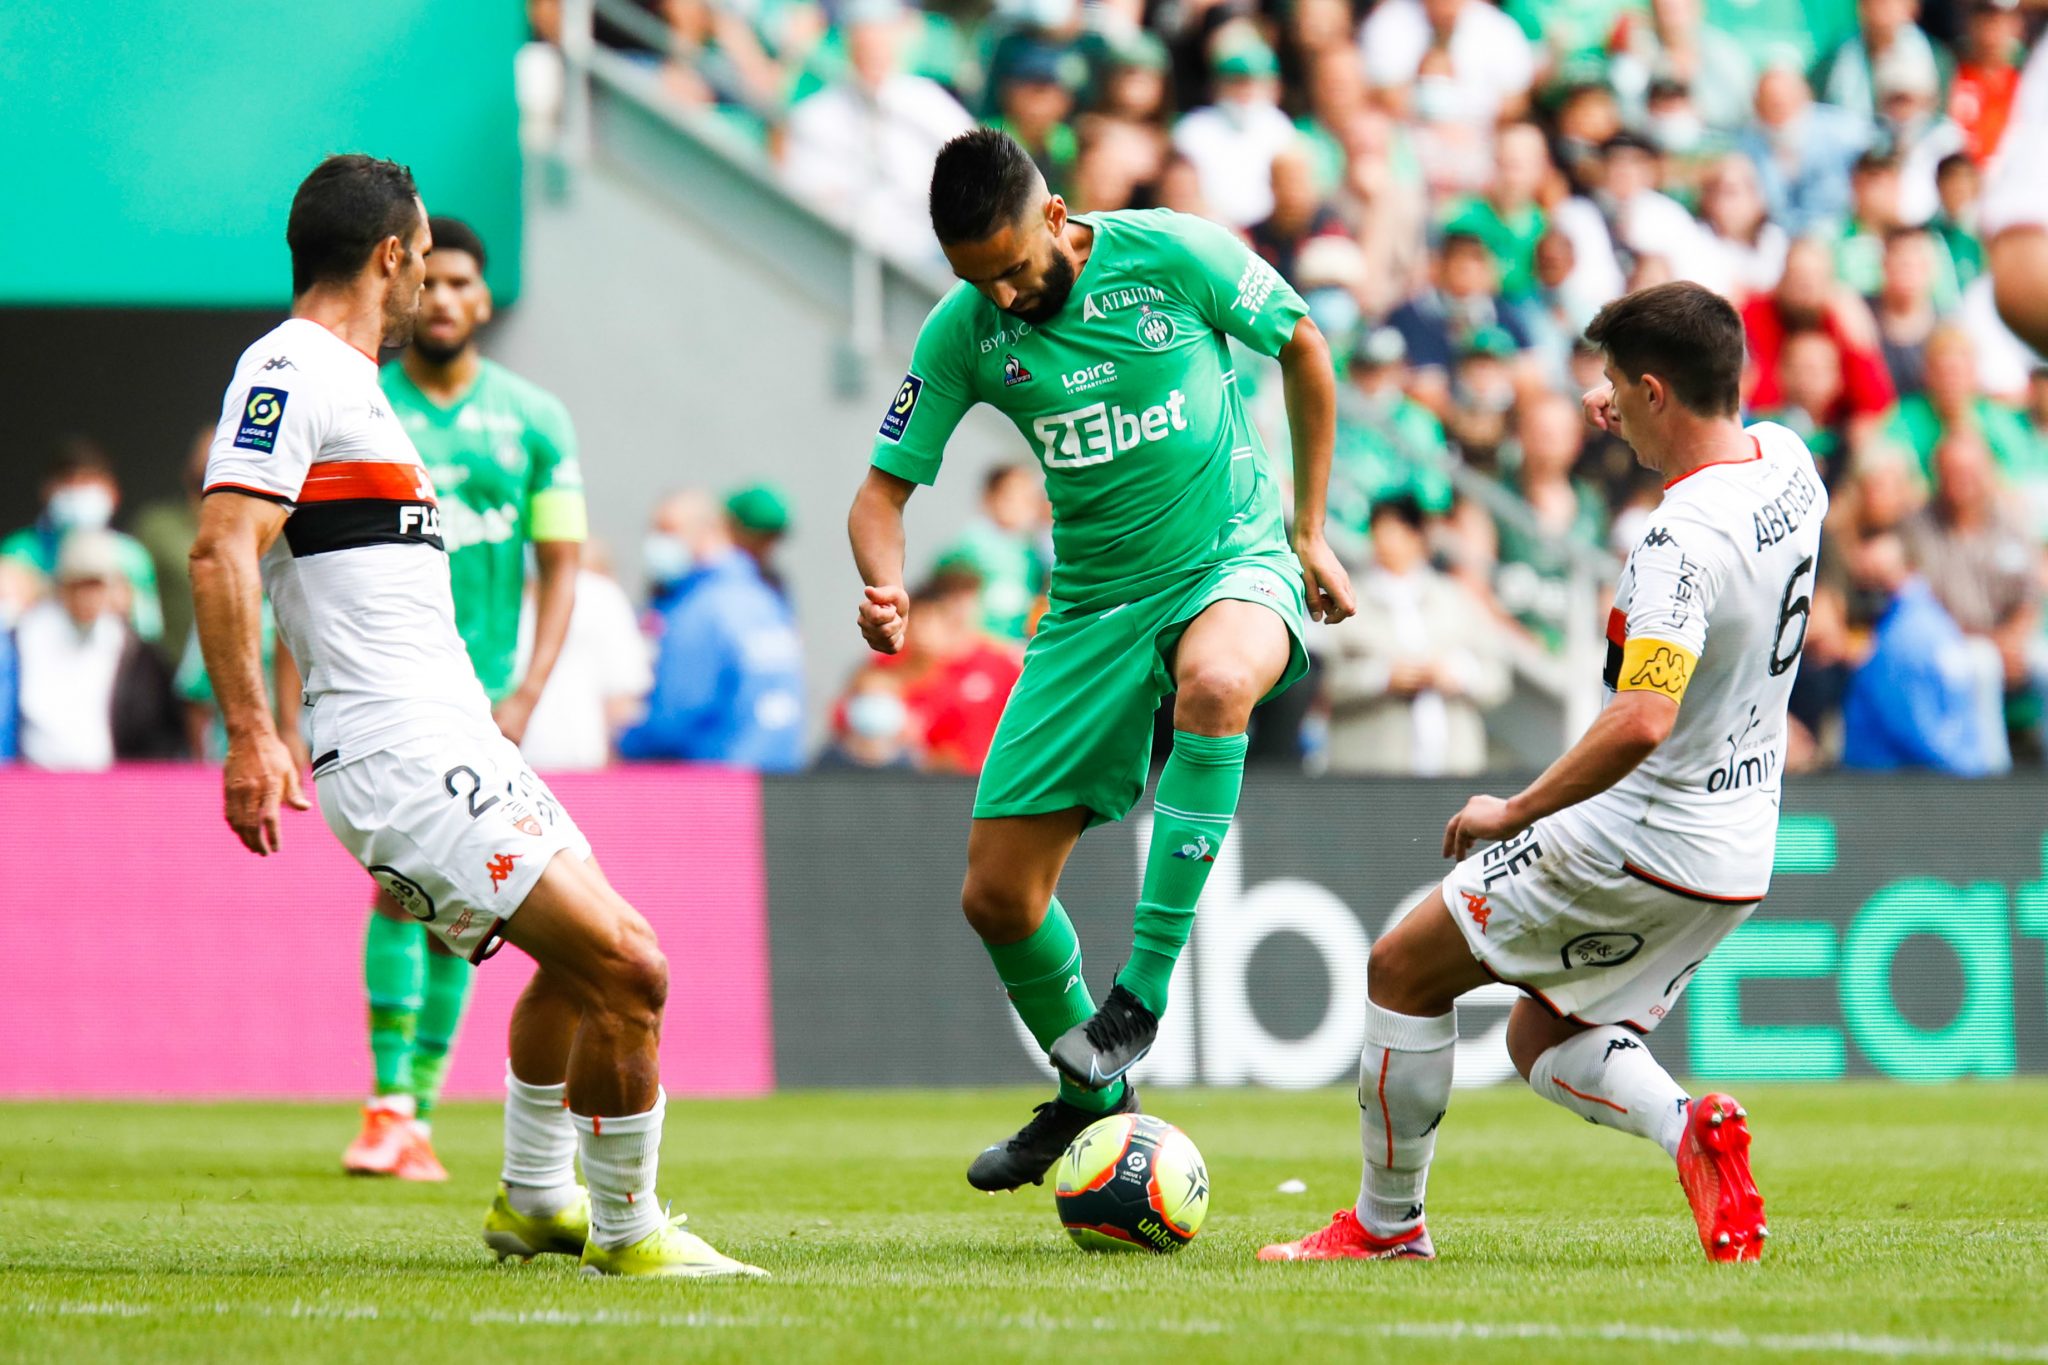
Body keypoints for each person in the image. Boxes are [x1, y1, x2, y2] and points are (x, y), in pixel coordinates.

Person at [189, 154, 763, 1277]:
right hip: (401, 752)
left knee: (575, 966)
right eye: (422, 265)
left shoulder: (357, 390)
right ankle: (631, 1234)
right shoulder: (293, 368)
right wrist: (253, 730)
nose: (428, 291)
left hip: (455, 737)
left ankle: (535, 1200)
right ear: (392, 258)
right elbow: (221, 550)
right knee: (632, 969)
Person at [1261, 282, 1815, 1266]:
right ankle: (1688, 1131)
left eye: (1612, 386)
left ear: (1653, 390)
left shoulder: (1676, 546)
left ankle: (1387, 1229)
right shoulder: (1788, 464)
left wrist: (1513, 808)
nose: (1601, 405)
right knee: (1537, 1039)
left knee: (1400, 970)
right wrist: (1637, 403)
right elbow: (1693, 425)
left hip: (1643, 832)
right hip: (1737, 846)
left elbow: (1641, 718)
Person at [846, 128, 1354, 1191]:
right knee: (996, 897)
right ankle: (1092, 1100)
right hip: (1086, 610)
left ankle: (1139, 999)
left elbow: (1303, 344)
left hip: (1231, 557)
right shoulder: (965, 329)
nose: (1002, 295)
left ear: (1054, 214)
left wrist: (1308, 532)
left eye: (1013, 267)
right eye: (975, 280)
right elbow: (881, 493)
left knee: (1218, 684)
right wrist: (883, 582)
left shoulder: (1172, 255)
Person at [285, 216, 586, 1182]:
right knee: (403, 887)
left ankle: (411, 1103)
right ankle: (392, 1103)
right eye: (435, 279)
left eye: (464, 282)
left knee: (473, 895)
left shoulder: (538, 420)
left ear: (486, 298)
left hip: (489, 692)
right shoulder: (367, 407)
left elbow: (562, 561)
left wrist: (531, 688)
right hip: (394, 694)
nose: (447, 297)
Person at [617, 487, 805, 770]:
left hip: (712, 787)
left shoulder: (699, 608)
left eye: (668, 531)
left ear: (709, 530)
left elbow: (675, 715)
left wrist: (622, 741)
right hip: (772, 781)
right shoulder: (765, 599)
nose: (657, 544)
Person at [1319, 496, 1509, 775]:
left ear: (1419, 536)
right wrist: (1381, 677)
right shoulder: (1346, 602)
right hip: (1369, 770)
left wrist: (1456, 673)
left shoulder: (1457, 600)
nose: (1388, 543)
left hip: (1455, 769)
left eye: (1399, 531)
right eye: (1381, 531)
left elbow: (1496, 679)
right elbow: (1323, 682)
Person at [1841, 527, 2010, 773]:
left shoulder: (1901, 640)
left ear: (1908, 569)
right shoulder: (1933, 620)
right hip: (1957, 773)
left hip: (1899, 788)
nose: (1868, 588)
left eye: (1877, 576)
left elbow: (1916, 733)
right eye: (1863, 577)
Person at [14, 531, 183, 769]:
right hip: (33, 780)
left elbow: (157, 728)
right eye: (78, 585)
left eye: (95, 585)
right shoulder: (23, 638)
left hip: (109, 786)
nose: (87, 596)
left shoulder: (134, 651)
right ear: (61, 587)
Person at [1, 443, 164, 645]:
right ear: (47, 490)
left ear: (112, 491)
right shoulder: (18, 551)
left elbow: (149, 633)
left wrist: (128, 608)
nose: (78, 490)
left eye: (88, 480)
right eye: (69, 481)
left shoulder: (130, 556)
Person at [935, 463, 1049, 642]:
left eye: (1027, 500)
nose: (1019, 507)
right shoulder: (973, 543)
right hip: (973, 641)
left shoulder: (1033, 554)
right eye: (1011, 497)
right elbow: (946, 591)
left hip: (1012, 645)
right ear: (990, 497)